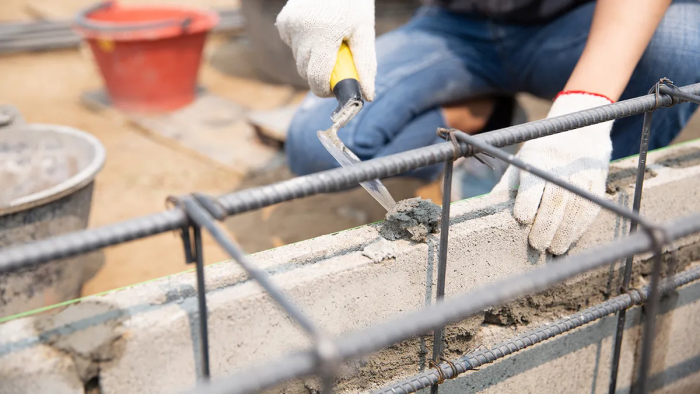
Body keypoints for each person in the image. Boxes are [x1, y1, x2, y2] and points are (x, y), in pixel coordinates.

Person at [274, 0, 700, 255]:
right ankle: (480, 117)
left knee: (686, 42)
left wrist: (585, 108)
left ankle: (587, 204)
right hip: (456, 26)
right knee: (315, 150)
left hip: (577, 21)